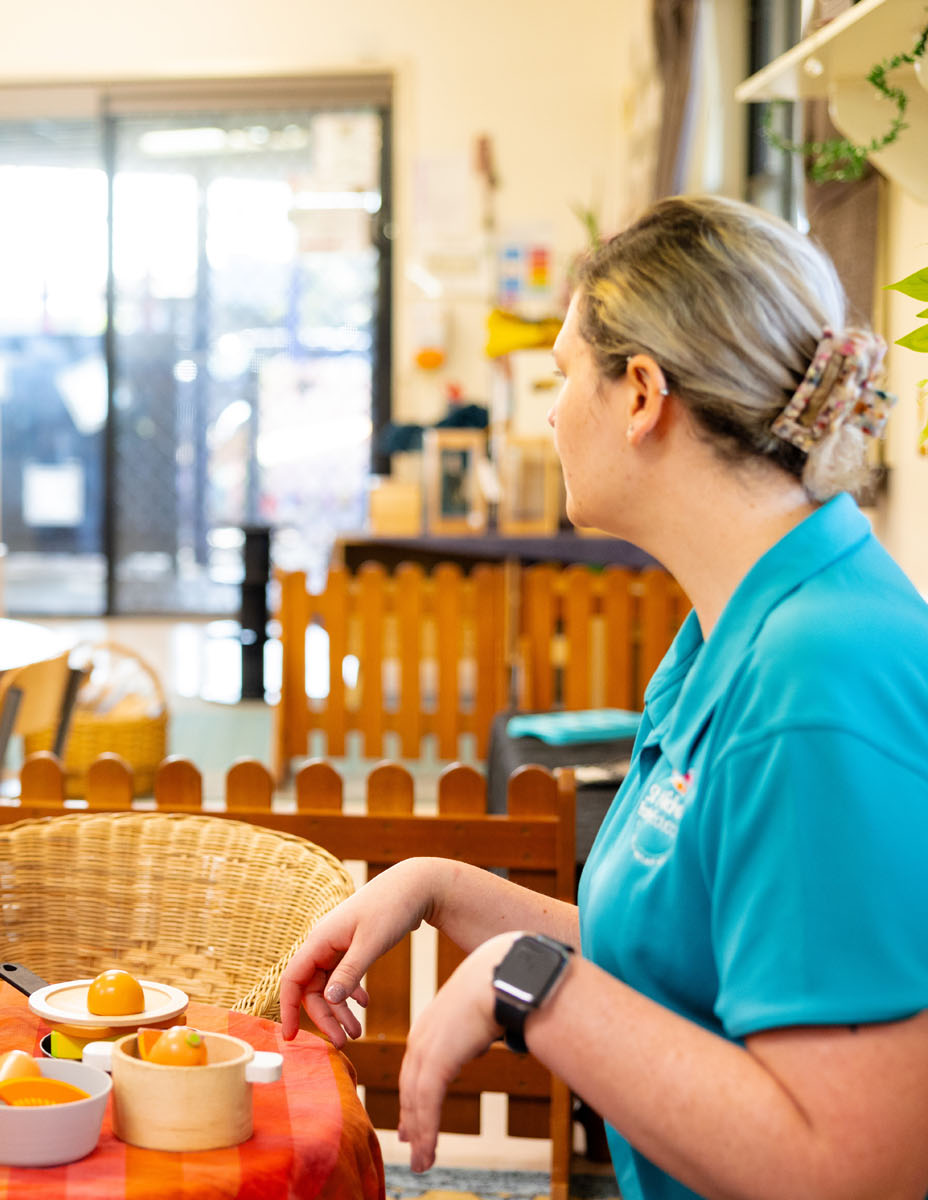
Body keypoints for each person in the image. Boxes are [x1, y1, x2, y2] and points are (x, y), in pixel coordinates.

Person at [281, 195, 928, 1200]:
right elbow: (680, 958)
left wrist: (532, 984)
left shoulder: (819, 676)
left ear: (640, 395)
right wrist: (444, 886)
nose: (547, 414)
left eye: (560, 376)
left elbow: (851, 1167)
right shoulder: (734, 620)